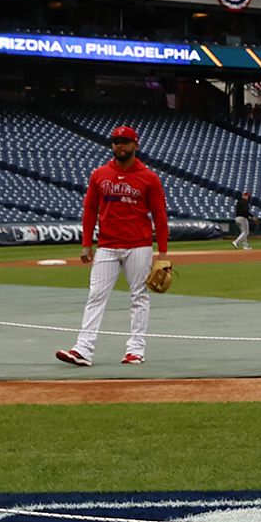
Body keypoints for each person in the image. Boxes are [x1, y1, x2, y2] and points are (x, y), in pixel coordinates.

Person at [55, 125, 171, 368]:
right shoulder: (99, 174)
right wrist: (87, 243)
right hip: (107, 244)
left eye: (125, 141)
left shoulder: (149, 177)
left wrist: (163, 253)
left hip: (138, 245)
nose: (119, 145)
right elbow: (89, 209)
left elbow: (160, 215)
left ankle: (135, 350)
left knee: (139, 296)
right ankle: (83, 349)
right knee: (96, 295)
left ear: (135, 145)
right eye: (116, 141)